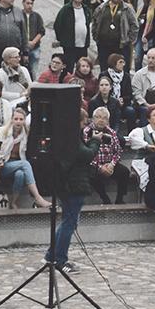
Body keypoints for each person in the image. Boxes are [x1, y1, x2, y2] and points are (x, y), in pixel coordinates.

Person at [42, 113, 105, 274]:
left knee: (67, 222)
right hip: (73, 185)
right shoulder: (71, 138)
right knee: (69, 223)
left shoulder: (67, 136)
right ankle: (60, 259)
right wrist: (95, 142)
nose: (85, 125)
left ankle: (51, 255)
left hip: (68, 184)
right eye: (84, 122)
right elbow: (86, 155)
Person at [92, 0, 138, 69]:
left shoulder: (127, 9)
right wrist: (95, 36)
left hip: (121, 45)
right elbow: (95, 22)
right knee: (104, 68)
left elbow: (134, 25)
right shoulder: (101, 8)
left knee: (121, 69)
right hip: (104, 44)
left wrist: (129, 40)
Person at [53, 0, 92, 68]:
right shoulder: (65, 9)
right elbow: (57, 25)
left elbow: (88, 24)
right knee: (69, 68)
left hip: (83, 45)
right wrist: (61, 39)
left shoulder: (86, 9)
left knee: (82, 67)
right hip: (69, 46)